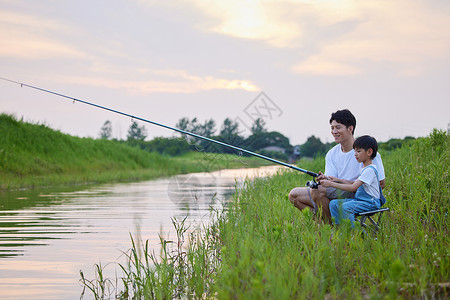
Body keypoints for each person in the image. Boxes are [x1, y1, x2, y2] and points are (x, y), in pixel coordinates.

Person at [288, 109, 385, 222]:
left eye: (338, 127)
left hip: (359, 194)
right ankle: (326, 225)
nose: (334, 131)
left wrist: (352, 185)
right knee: (294, 195)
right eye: (332, 128)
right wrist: (326, 179)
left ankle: (334, 230)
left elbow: (381, 184)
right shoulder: (331, 154)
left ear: (350, 128)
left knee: (317, 191)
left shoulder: (369, 152)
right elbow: (330, 183)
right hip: (339, 190)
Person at [320, 135, 383, 225]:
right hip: (361, 200)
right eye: (355, 151)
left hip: (370, 202)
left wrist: (331, 184)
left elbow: (353, 187)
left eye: (358, 151)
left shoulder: (370, 170)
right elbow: (354, 182)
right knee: (333, 204)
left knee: (346, 207)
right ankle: (339, 230)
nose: (355, 154)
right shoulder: (365, 169)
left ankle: (352, 233)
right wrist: (337, 180)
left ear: (369, 152)